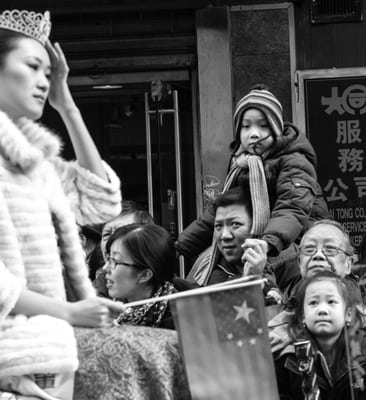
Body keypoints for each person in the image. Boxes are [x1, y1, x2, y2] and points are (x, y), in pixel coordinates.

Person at [0, 8, 124, 398]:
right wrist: (70, 311)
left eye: (48, 74)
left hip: (44, 351)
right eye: (33, 67)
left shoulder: (33, 164)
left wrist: (67, 106)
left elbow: (100, 202)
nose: (43, 82)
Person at [176, 84, 328, 264]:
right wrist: (179, 247)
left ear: (276, 129)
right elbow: (218, 212)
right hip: (262, 243)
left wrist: (268, 243)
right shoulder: (241, 163)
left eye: (263, 126)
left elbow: (292, 207)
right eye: (246, 126)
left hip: (298, 245)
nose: (254, 134)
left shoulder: (294, 160)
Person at [269, 219, 364, 353]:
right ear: (300, 262)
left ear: (348, 264)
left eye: (330, 249)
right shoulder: (276, 326)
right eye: (309, 249)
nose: (318, 255)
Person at [188, 186, 294, 304]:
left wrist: (258, 283)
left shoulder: (289, 262)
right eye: (218, 226)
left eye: (235, 224)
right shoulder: (205, 269)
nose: (224, 235)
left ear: (258, 225)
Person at [275, 271, 366, 399]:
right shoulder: (288, 358)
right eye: (313, 303)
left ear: (348, 314)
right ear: (302, 316)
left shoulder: (362, 352)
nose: (322, 310)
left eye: (331, 301)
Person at [103, 223, 178, 329]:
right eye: (109, 258)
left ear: (144, 275)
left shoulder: (177, 322)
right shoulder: (111, 302)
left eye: (115, 261)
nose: (105, 268)